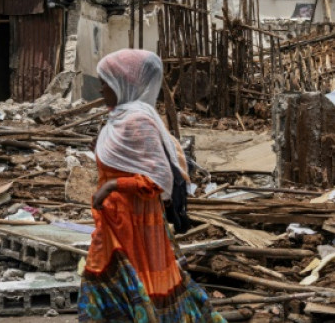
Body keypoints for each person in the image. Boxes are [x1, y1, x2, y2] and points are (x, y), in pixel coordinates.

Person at [78, 49, 225, 323]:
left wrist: (112, 185)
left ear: (125, 84)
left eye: (105, 81)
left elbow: (157, 179)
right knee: (106, 274)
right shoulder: (119, 117)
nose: (100, 88)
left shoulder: (138, 121)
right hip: (114, 220)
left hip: (136, 223)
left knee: (128, 275)